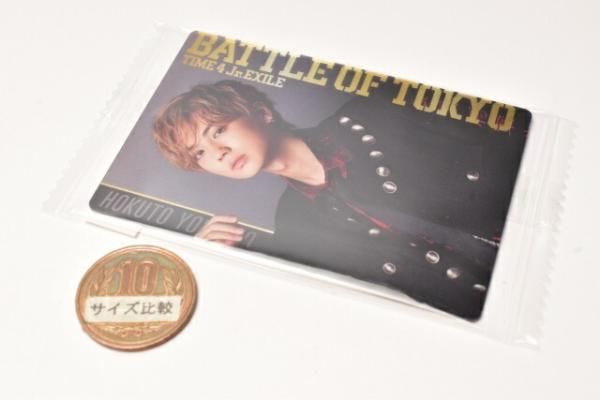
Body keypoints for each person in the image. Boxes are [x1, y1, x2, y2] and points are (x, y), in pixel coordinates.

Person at [152, 79, 528, 320]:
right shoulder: (293, 224)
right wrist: (217, 265)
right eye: (199, 153)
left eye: (218, 130)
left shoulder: (374, 110)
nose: (217, 152)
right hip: (499, 309)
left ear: (261, 113)